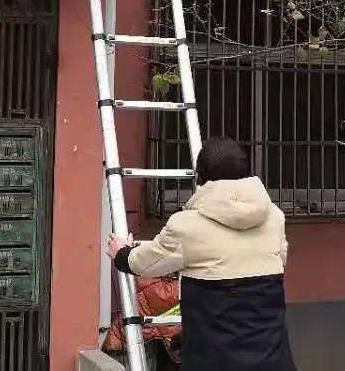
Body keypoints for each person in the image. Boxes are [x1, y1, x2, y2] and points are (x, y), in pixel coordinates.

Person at [107, 137, 297, 371]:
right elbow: (280, 259)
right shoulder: (274, 218)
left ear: (200, 178)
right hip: (274, 362)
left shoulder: (186, 225)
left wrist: (121, 253)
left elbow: (144, 263)